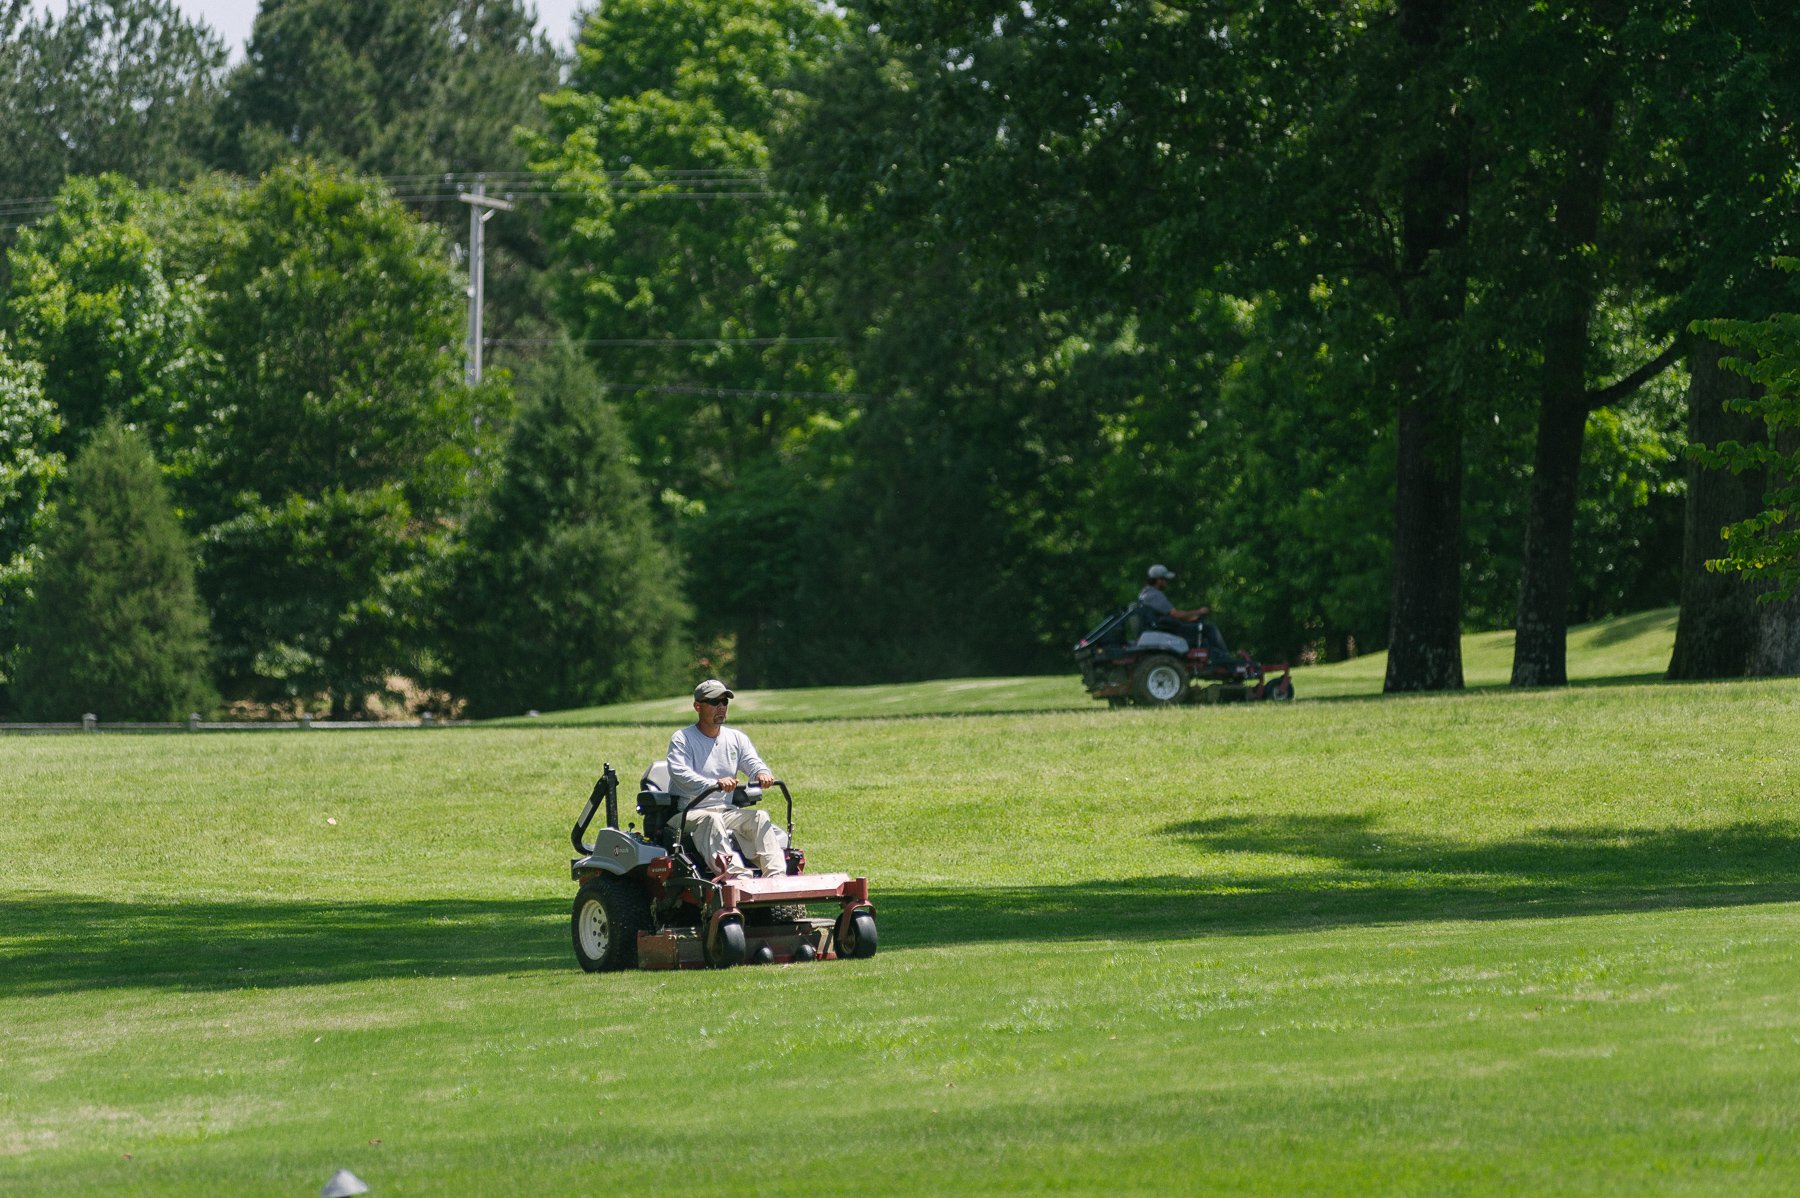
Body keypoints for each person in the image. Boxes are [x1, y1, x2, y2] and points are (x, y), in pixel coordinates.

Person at [666, 678, 787, 879]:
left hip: (725, 811)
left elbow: (752, 761)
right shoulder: (682, 738)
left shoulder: (736, 738)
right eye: (714, 702)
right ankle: (737, 878)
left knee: (759, 817)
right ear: (698, 706)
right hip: (689, 812)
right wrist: (714, 784)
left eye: (724, 702)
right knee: (711, 819)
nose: (721, 707)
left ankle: (777, 878)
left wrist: (761, 773)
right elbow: (679, 773)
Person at [1136, 563, 1240, 667]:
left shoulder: (1145, 593)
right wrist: (1199, 612)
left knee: (1199, 628)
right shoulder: (1154, 595)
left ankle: (1213, 660)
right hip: (1169, 631)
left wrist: (1191, 618)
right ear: (1159, 580)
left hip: (1162, 628)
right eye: (1165, 580)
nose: (1167, 583)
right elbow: (1175, 614)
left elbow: (1168, 616)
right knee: (1209, 628)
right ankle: (1226, 661)